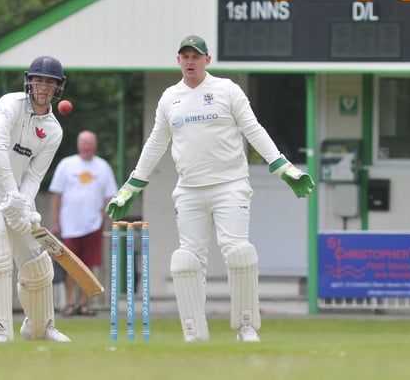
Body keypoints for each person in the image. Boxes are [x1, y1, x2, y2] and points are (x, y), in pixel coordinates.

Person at [105, 35, 315, 343]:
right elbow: (156, 143)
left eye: (196, 56)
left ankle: (246, 327)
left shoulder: (227, 90)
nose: (190, 61)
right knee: (187, 259)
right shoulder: (169, 98)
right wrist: (132, 185)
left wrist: (284, 168)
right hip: (189, 190)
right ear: (178, 61)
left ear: (207, 59)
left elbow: (253, 129)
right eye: (185, 56)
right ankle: (194, 332)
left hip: (230, 186)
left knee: (239, 252)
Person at [0, 56, 71, 343]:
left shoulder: (53, 130)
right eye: (39, 80)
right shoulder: (10, 104)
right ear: (29, 81)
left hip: (15, 195)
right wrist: (12, 192)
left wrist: (24, 203)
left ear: (58, 88)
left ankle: (40, 327)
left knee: (36, 259)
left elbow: (34, 176)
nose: (43, 87)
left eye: (50, 83)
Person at [49, 130, 117, 316]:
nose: (87, 147)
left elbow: (110, 195)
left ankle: (84, 303)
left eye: (90, 144)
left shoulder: (103, 167)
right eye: (84, 143)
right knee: (71, 265)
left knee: (88, 265)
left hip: (93, 225)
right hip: (69, 224)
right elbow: (57, 195)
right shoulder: (66, 165)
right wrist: (56, 221)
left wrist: (103, 215)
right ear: (79, 145)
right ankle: (70, 303)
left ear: (95, 146)